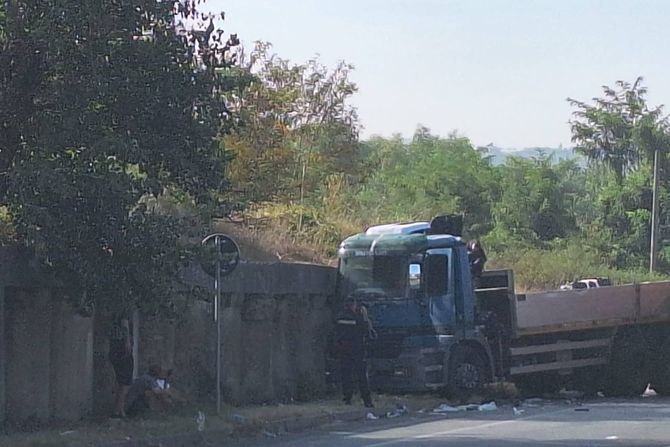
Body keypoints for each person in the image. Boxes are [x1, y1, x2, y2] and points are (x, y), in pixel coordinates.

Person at [335, 297, 375, 408]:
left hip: (344, 350)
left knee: (346, 376)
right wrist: (365, 316)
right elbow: (367, 330)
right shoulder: (357, 318)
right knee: (362, 376)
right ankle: (367, 400)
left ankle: (347, 398)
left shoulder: (340, 317)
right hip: (357, 350)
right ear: (353, 305)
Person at [109, 310, 133, 418]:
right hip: (121, 347)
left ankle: (120, 409)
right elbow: (124, 324)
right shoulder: (124, 306)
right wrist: (127, 341)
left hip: (113, 345)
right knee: (125, 381)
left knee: (119, 380)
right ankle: (118, 410)